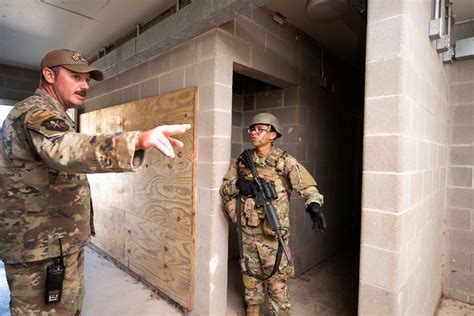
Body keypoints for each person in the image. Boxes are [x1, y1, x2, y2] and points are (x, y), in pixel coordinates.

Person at [0, 48, 191, 315]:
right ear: (48, 75)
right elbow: (64, 149)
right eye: (76, 77)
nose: (85, 85)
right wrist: (136, 140)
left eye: (87, 79)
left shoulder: (55, 113)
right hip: (40, 252)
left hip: (57, 245)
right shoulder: (35, 111)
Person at [220, 113, 326, 316]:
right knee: (250, 281)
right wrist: (239, 184)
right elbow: (225, 189)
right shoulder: (242, 161)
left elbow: (307, 185)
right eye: (252, 129)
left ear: (273, 134)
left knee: (277, 285)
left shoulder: (284, 161)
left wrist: (314, 204)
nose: (253, 133)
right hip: (249, 234)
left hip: (274, 237)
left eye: (260, 129)